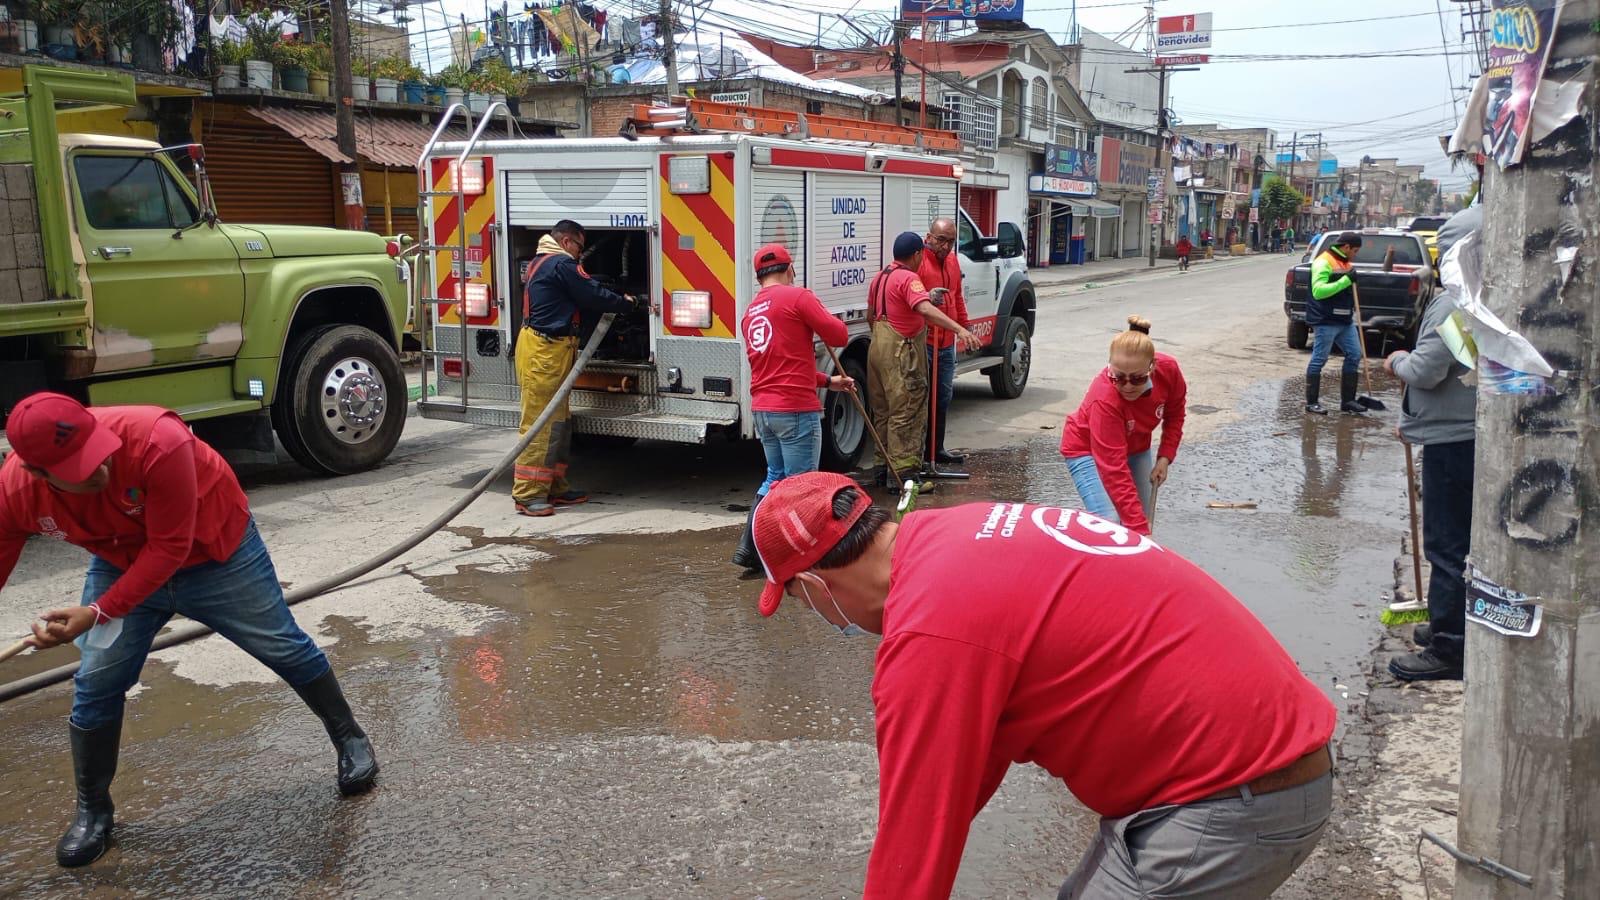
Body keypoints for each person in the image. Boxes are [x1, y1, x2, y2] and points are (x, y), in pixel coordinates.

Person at [749, 471, 1337, 898]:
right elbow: (962, 770)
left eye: (798, 600)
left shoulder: (930, 634)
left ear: (814, 585)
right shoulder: (953, 533)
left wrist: (919, 835)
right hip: (1262, 770)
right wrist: (930, 816)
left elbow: (912, 849)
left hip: (1231, 799)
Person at [1, 393, 377, 868]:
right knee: (97, 681)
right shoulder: (15, 492)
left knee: (281, 645)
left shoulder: (159, 441)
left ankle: (350, 737)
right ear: (38, 473)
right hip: (122, 561)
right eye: (79, 468)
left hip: (215, 551)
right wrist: (101, 609)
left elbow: (170, 548)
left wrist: (95, 612)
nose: (99, 470)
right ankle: (92, 810)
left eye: (96, 452)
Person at [1384, 205, 1483, 682]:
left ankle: (1451, 647)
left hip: (1452, 439)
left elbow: (1426, 369)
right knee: (1458, 542)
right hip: (1465, 430)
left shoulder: (1455, 303)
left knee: (1446, 545)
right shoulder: (1489, 295)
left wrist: (1398, 359)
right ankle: (1450, 625)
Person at [730, 243, 854, 571]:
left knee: (775, 479)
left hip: (765, 410)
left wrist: (830, 383)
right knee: (802, 488)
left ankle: (751, 549)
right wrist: (820, 313)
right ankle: (800, 557)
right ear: (790, 269)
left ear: (759, 277)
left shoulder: (750, 313)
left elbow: (782, 366)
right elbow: (840, 335)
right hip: (795, 409)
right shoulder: (798, 297)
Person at [513, 219, 643, 517]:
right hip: (544, 352)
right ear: (568, 241)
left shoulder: (543, 261)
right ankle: (528, 494)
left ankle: (554, 486)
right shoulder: (559, 264)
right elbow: (592, 294)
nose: (580, 254)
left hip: (551, 350)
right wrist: (627, 303)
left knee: (558, 422)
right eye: (580, 248)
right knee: (540, 423)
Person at [865, 232, 980, 491]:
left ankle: (882, 470)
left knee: (883, 413)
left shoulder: (881, 277)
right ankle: (905, 479)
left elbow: (871, 315)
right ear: (917, 254)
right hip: (901, 354)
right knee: (907, 411)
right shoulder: (909, 277)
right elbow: (925, 309)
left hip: (877, 352)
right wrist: (960, 330)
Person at [1059, 316, 1186, 535]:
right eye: (1118, 377)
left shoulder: (1169, 371)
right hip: (1086, 449)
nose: (1127, 386)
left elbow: (1175, 413)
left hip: (1135, 447)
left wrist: (1165, 457)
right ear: (1110, 367)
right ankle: (1097, 564)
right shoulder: (1104, 398)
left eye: (1137, 379)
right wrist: (1139, 531)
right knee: (1110, 525)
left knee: (1139, 517)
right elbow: (1114, 470)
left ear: (1152, 367)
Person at [917, 217, 970, 466]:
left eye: (950, 241)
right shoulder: (920, 262)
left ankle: (937, 450)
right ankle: (921, 454)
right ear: (929, 238)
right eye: (941, 240)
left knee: (944, 396)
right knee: (923, 398)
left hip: (947, 342)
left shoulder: (952, 261)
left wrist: (965, 328)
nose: (946, 246)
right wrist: (927, 297)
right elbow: (910, 297)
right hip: (925, 341)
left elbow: (957, 297)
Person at [1303, 231, 1366, 416]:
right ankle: (1312, 402)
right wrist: (1346, 280)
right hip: (1325, 320)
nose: (1356, 254)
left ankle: (1348, 401)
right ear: (1346, 247)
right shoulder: (1323, 262)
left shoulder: (1346, 262)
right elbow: (1319, 291)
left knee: (1354, 354)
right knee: (1319, 360)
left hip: (1344, 320)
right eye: (1354, 250)